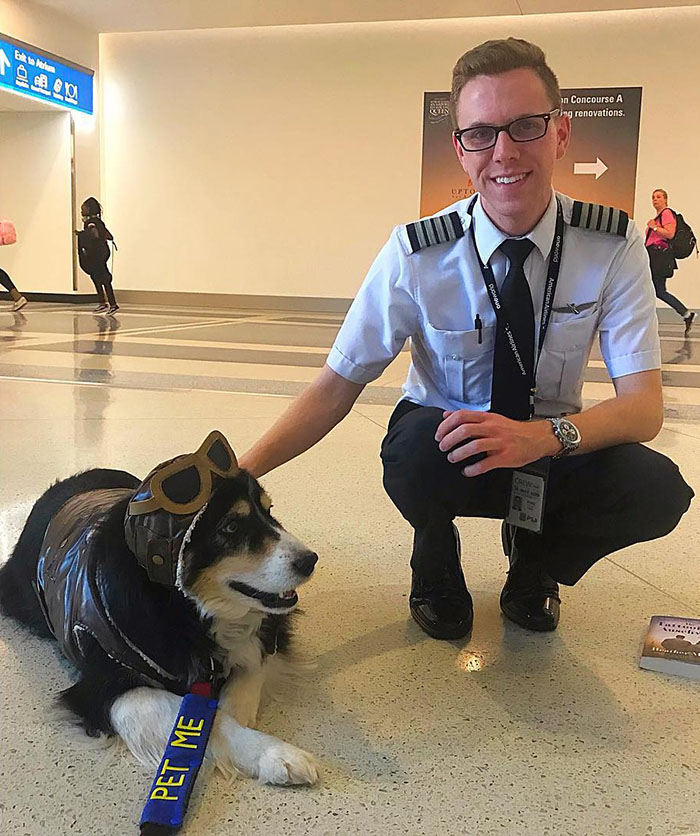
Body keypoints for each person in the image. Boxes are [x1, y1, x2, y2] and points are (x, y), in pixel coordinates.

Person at [239, 38, 693, 642]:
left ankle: (534, 558)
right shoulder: (416, 253)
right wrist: (235, 475)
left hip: (548, 444)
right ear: (460, 148)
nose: (503, 152)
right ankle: (434, 554)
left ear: (560, 133)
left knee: (656, 488)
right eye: (480, 134)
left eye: (525, 126)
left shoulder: (611, 245)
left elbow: (643, 409)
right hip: (450, 448)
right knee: (412, 452)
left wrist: (540, 437)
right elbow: (336, 385)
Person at [645, 189, 694, 335]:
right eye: (653, 197)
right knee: (658, 290)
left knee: (650, 288)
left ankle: (642, 320)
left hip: (659, 256)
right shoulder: (658, 217)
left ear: (665, 199)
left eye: (658, 197)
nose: (655, 199)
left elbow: (670, 234)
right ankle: (686, 314)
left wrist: (653, 226)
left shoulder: (666, 213)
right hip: (654, 255)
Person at [78, 197, 119, 314]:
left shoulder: (90, 223)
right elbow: (108, 236)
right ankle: (104, 302)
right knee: (100, 278)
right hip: (102, 252)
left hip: (96, 254)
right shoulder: (99, 221)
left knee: (101, 278)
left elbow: (94, 234)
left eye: (83, 208)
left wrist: (83, 235)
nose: (82, 211)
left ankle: (111, 304)